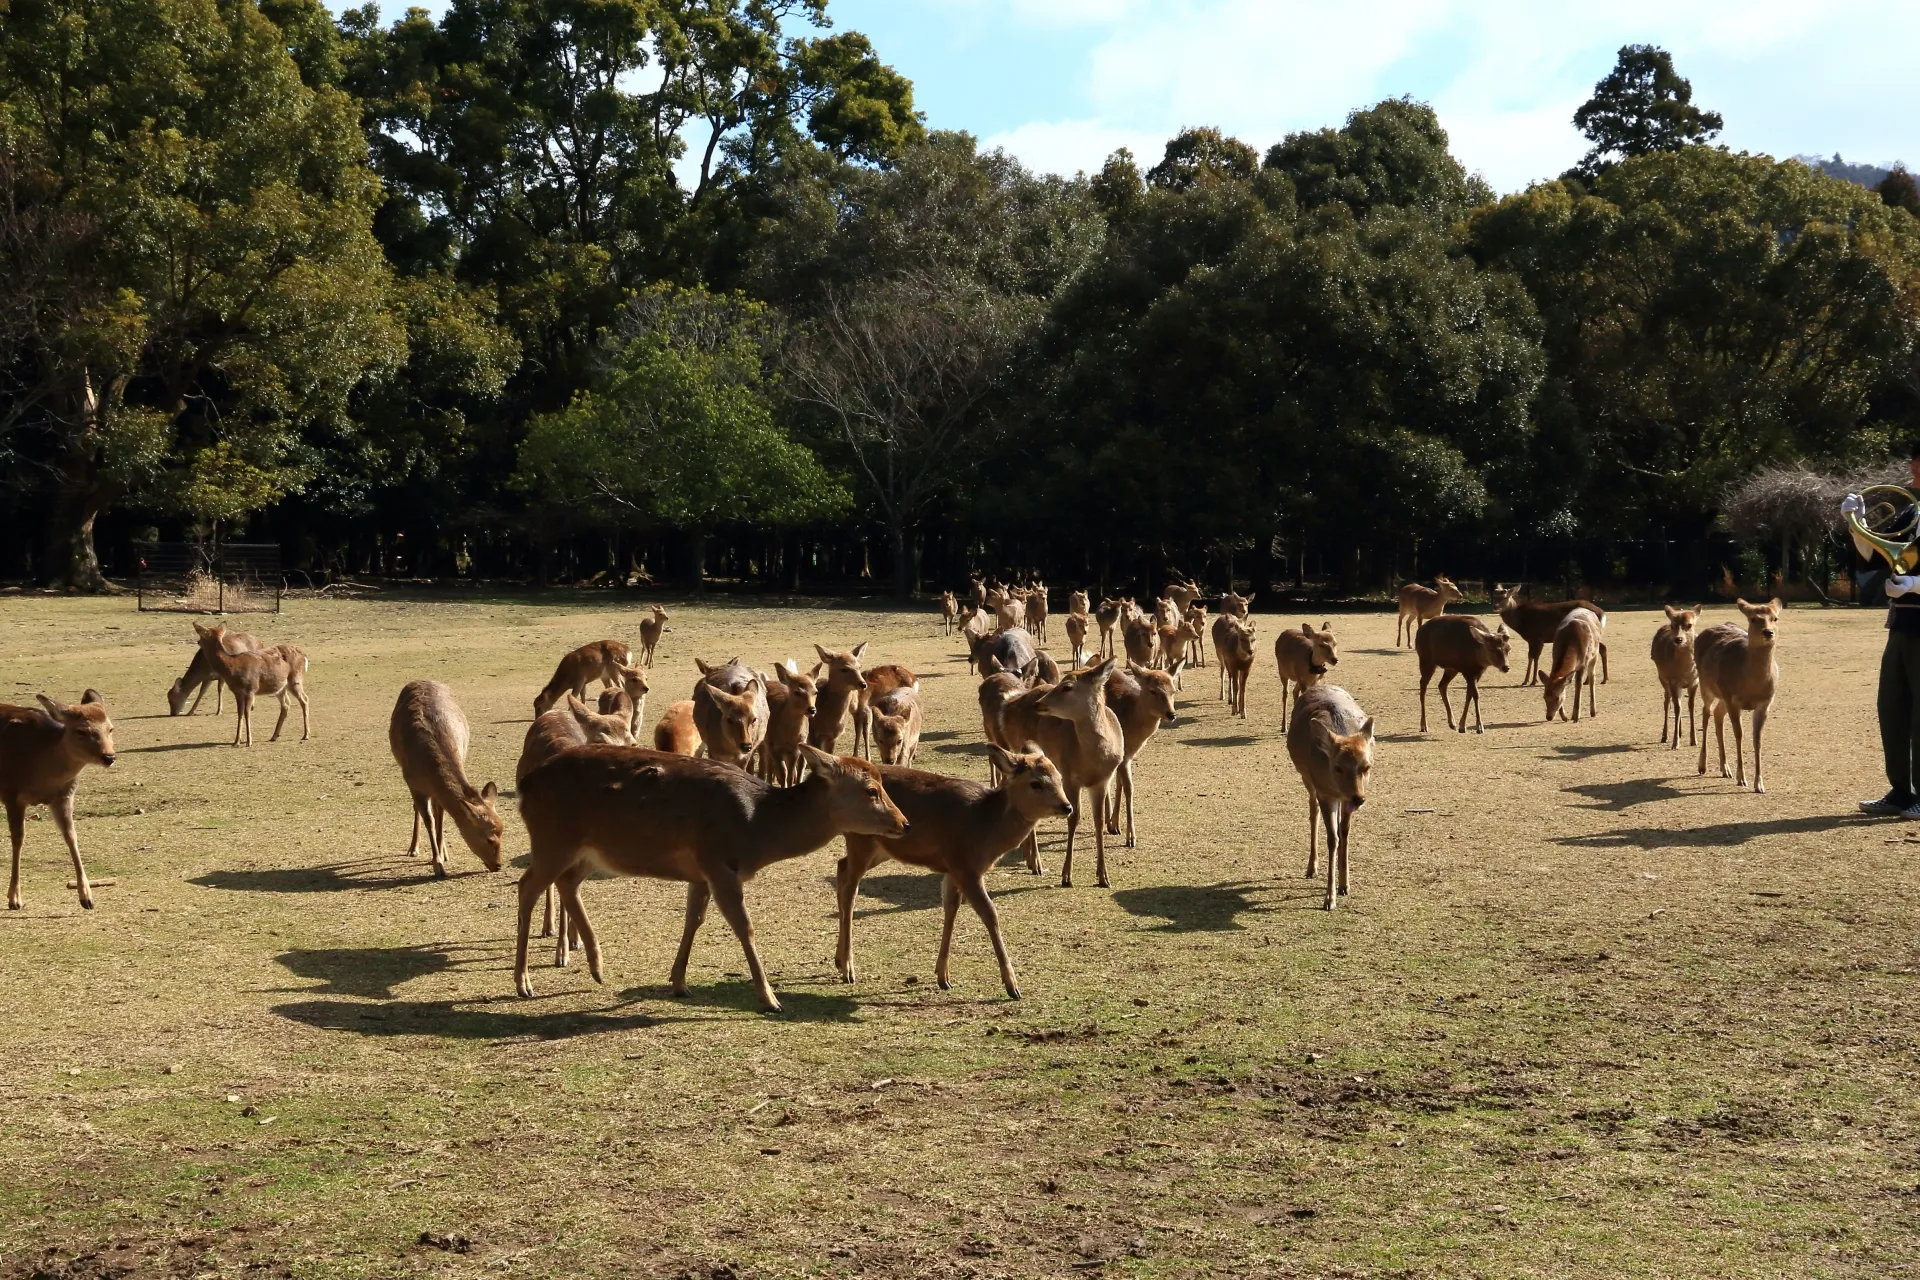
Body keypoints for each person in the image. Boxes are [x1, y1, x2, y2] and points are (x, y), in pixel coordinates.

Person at [1856, 442, 1920, 816]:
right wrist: (1856, 525)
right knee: (1893, 707)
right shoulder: (1911, 513)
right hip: (1902, 624)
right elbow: (1874, 557)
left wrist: (1915, 585)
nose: (1915, 472)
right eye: (1915, 464)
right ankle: (1901, 792)